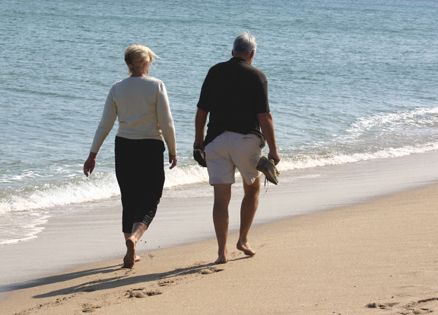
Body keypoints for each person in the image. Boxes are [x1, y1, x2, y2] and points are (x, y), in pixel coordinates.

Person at [83, 44, 177, 269]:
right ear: (146, 63)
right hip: (151, 147)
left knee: (129, 197)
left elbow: (105, 124)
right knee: (152, 196)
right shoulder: (156, 86)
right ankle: (134, 238)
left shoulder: (117, 88)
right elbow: (167, 122)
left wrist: (92, 154)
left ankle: (130, 251)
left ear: (128, 64)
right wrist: (173, 150)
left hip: (124, 147)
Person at [194, 32, 280, 264]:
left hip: (216, 141)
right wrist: (273, 150)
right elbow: (264, 117)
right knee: (251, 189)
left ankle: (221, 252)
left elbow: (202, 111)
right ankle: (242, 239)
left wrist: (198, 140)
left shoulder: (215, 72)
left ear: (233, 52)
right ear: (252, 54)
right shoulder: (257, 76)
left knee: (221, 198)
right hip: (245, 141)